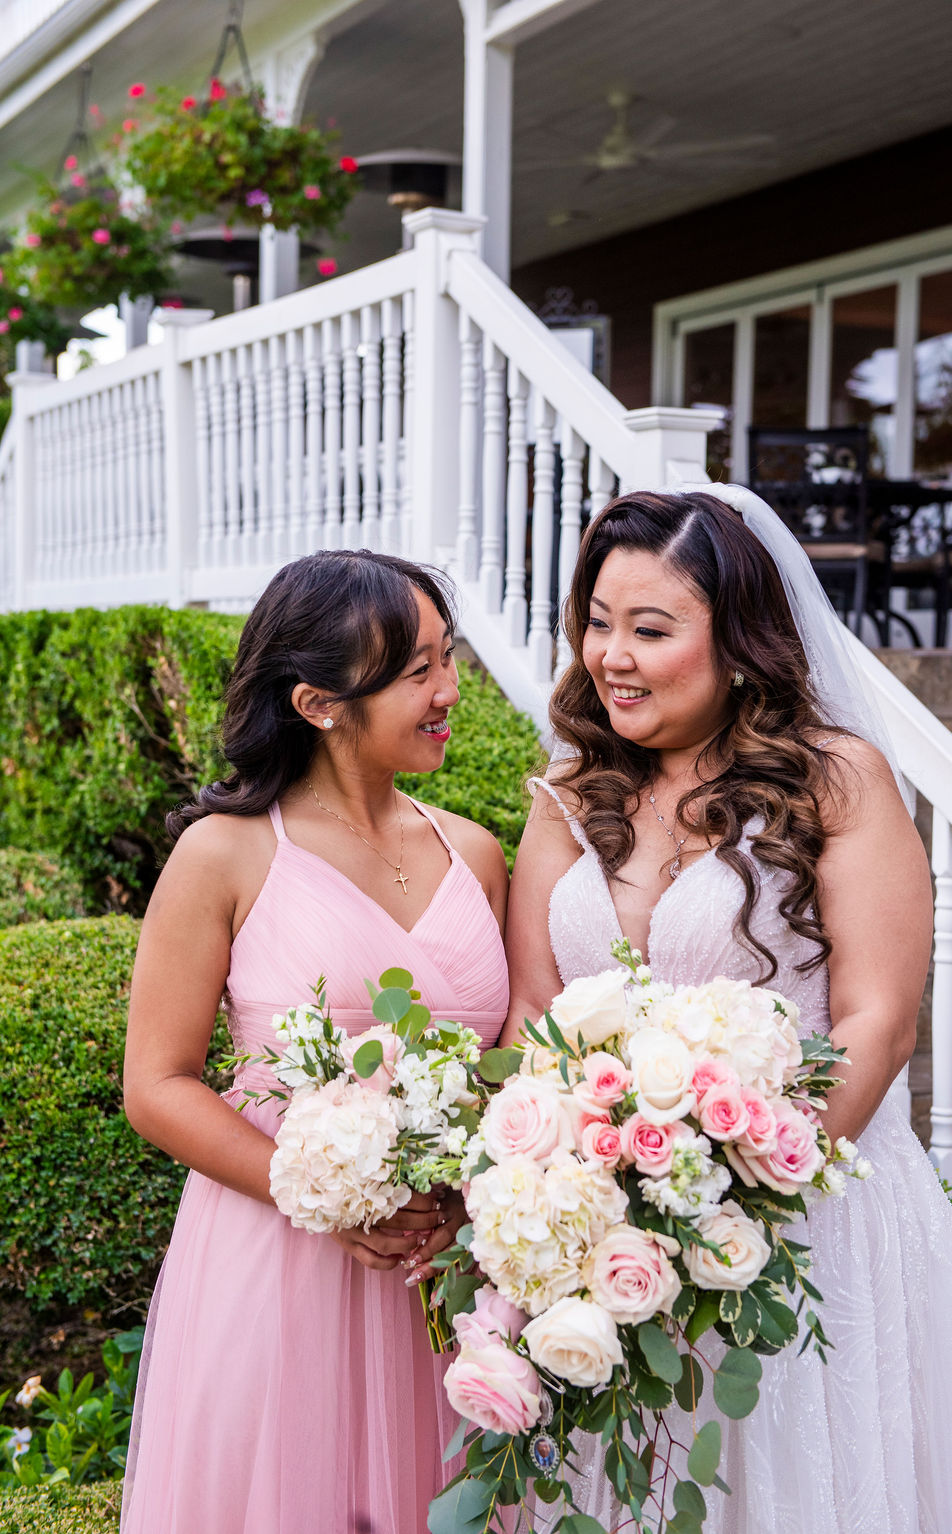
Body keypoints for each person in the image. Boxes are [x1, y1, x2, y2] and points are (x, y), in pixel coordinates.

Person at [502, 488, 952, 1533]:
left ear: (739, 642)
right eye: (598, 622)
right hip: (605, 1232)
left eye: (651, 629)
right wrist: (551, 1189)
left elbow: (877, 1018)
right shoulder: (570, 792)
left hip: (804, 1215)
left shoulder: (834, 780)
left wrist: (739, 1202)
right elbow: (532, 1012)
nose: (612, 656)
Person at [121, 549, 510, 1534]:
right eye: (416, 671)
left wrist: (469, 1193)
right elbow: (157, 1083)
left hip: (445, 1268)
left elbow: (508, 1066)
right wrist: (325, 1199)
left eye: (448, 657)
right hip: (279, 1259)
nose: (449, 690)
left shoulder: (475, 853)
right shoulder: (225, 853)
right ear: (318, 702)